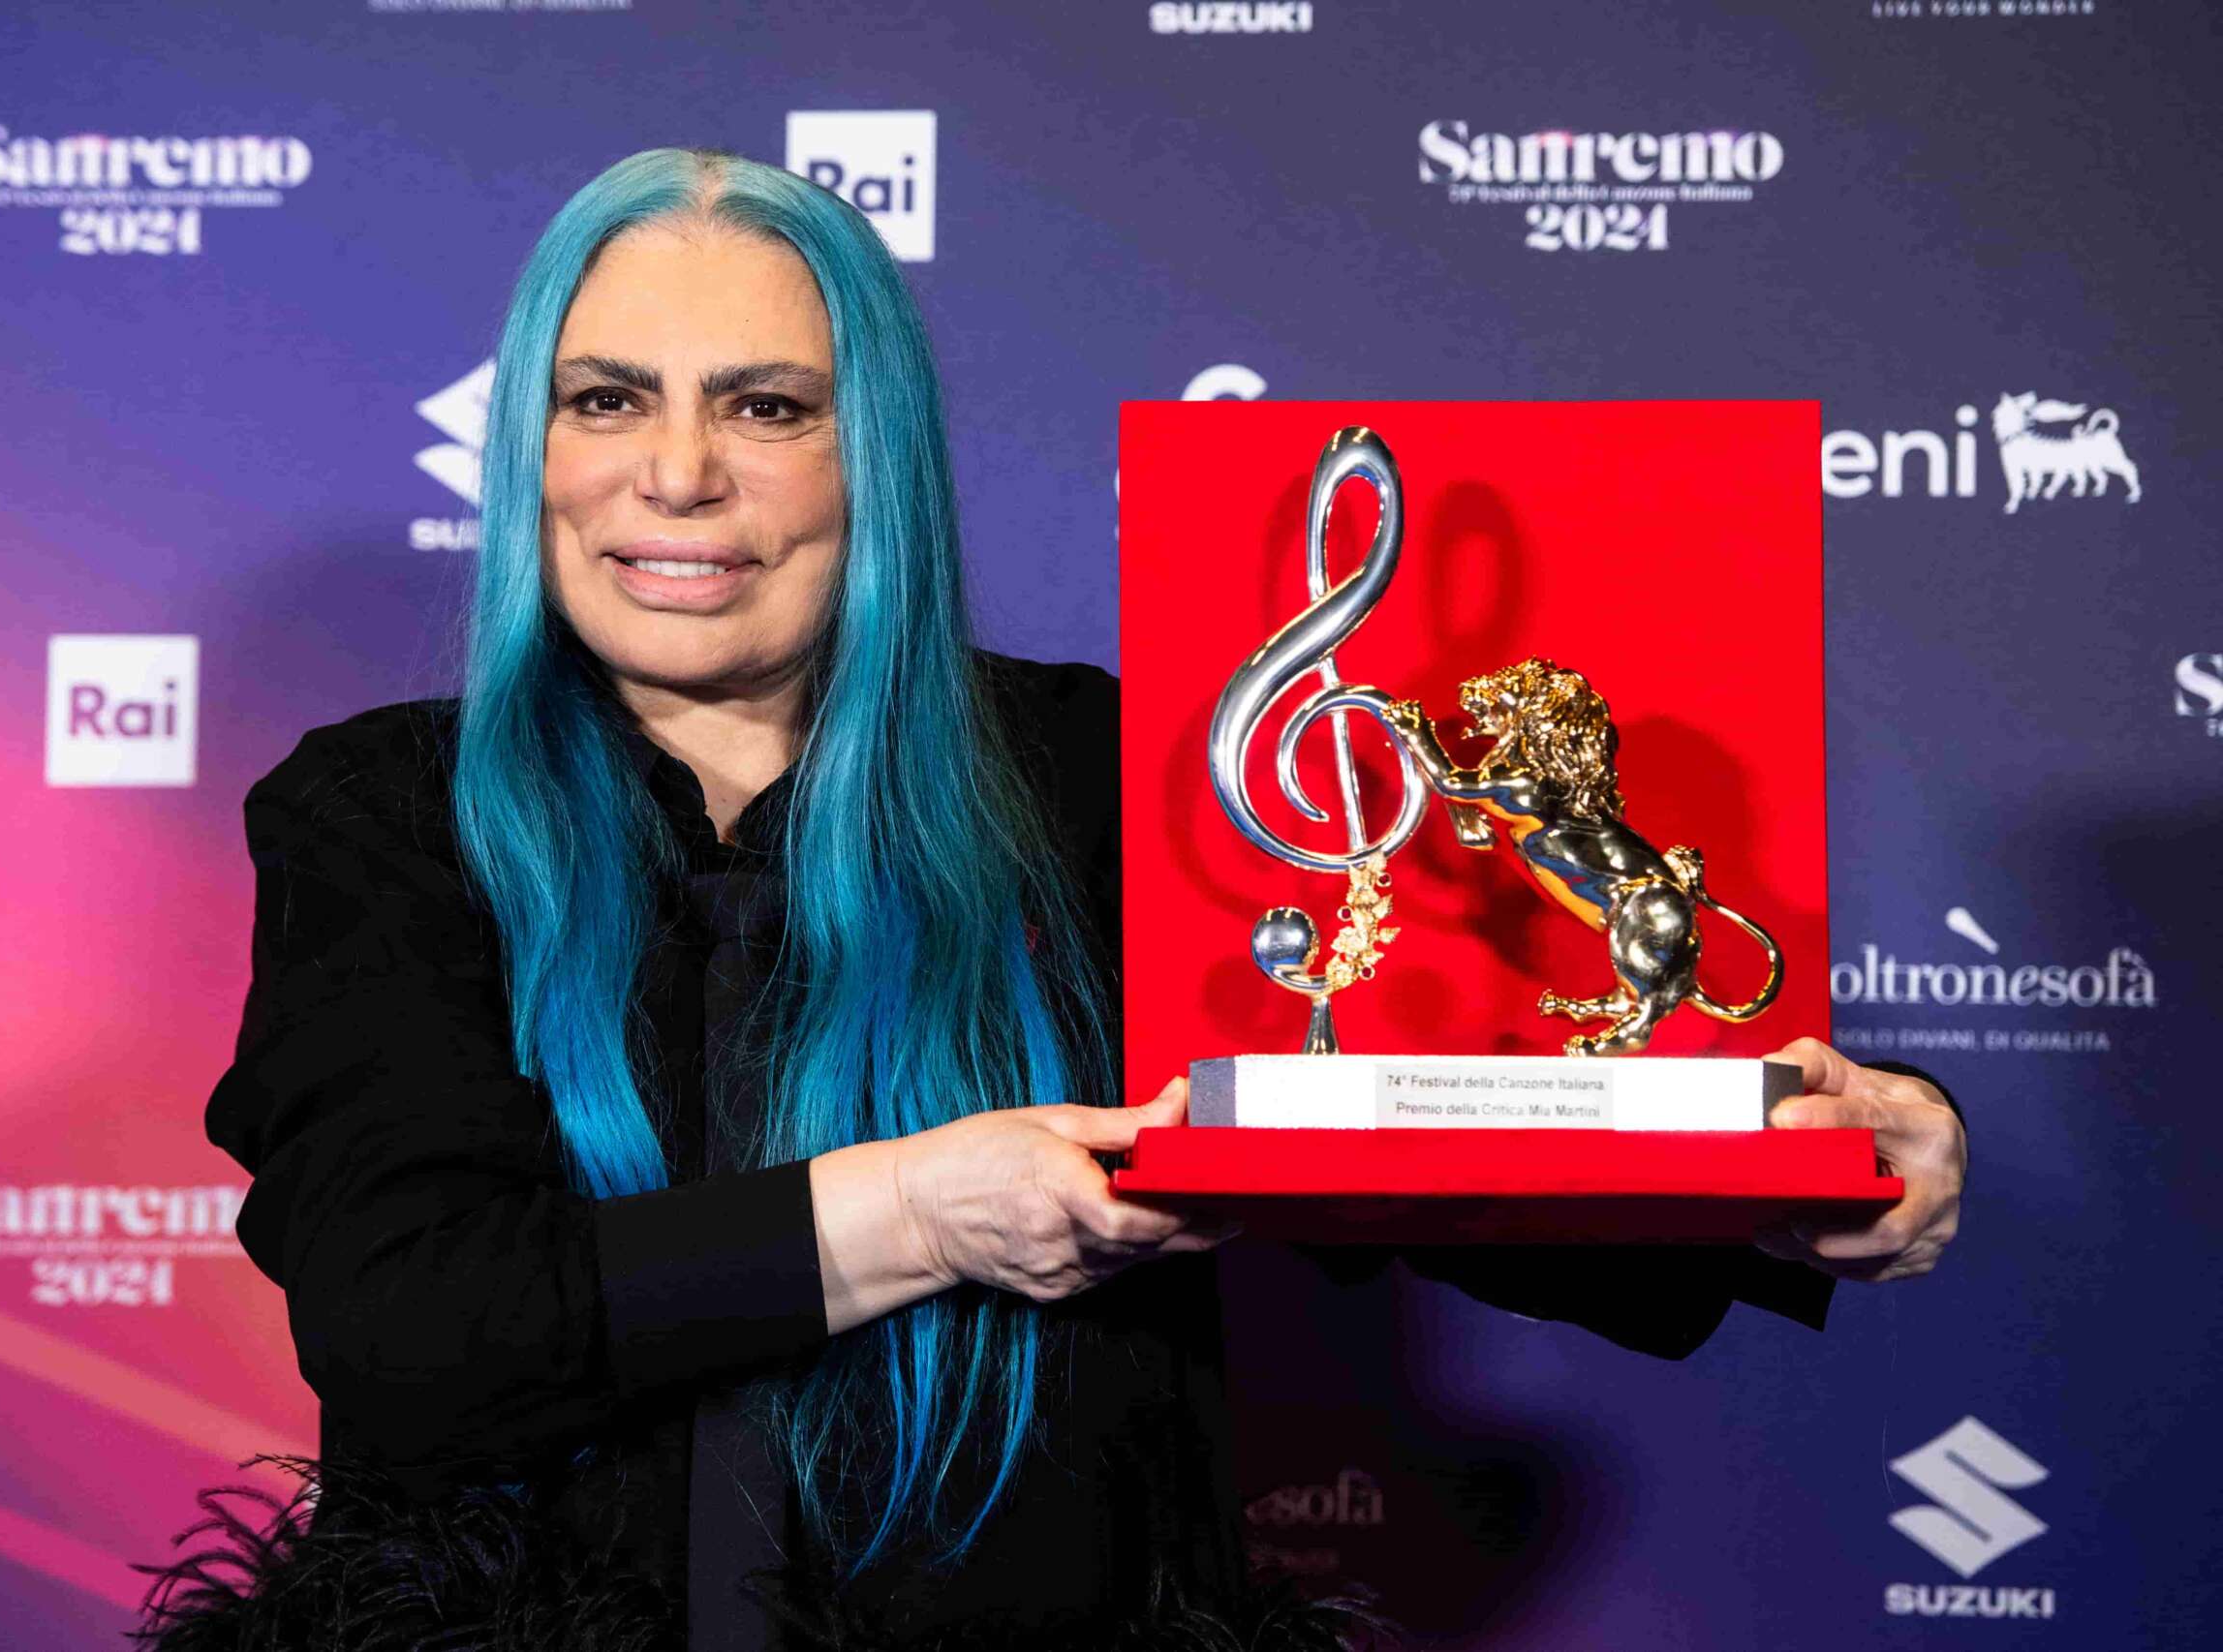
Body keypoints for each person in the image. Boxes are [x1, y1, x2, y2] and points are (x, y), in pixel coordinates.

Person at [132, 147, 1968, 1651]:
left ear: (876, 455)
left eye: (767, 406)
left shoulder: (1099, 773)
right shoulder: (386, 814)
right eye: (607, 398)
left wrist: (1782, 1176)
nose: (675, 472)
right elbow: (419, 1331)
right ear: (532, 444)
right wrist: (925, 1208)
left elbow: (1384, 1120)